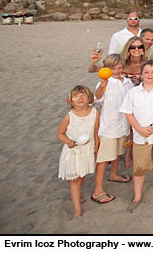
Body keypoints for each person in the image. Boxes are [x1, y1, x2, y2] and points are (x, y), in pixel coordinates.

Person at [119, 61, 153, 212]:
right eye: (147, 72)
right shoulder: (133, 93)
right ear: (141, 74)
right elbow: (128, 113)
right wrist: (139, 128)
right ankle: (137, 196)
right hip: (140, 135)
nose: (150, 75)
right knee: (140, 166)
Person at [91, 54, 132, 205]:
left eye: (120, 68)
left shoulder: (127, 82)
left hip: (122, 124)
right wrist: (102, 87)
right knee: (103, 158)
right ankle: (98, 189)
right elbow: (97, 98)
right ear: (107, 69)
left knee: (117, 152)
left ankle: (114, 174)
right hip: (108, 125)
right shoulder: (105, 82)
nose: (117, 71)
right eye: (113, 68)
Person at [57, 85, 99, 217]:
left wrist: (96, 146)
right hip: (74, 151)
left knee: (82, 175)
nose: (79, 98)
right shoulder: (69, 117)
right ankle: (77, 208)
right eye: (76, 96)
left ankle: (78, 195)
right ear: (70, 100)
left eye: (83, 95)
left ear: (89, 97)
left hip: (88, 149)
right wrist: (69, 142)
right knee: (75, 179)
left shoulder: (95, 112)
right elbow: (60, 134)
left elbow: (96, 132)